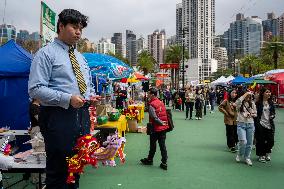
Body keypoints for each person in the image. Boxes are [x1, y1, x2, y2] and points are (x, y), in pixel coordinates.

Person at [28, 9, 101, 188]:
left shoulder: (81, 58)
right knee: (58, 170)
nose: (78, 32)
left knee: (77, 166)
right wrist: (67, 98)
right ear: (61, 26)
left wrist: (91, 96)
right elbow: (35, 90)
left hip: (81, 115)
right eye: (74, 27)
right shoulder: (45, 54)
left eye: (81, 29)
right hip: (57, 116)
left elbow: (86, 87)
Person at [140, 87, 169, 170]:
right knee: (162, 145)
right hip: (163, 128)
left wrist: (161, 123)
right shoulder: (161, 102)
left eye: (149, 93)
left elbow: (154, 117)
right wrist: (163, 123)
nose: (148, 95)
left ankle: (150, 159)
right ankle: (164, 162)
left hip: (155, 128)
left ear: (152, 94)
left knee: (153, 145)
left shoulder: (152, 104)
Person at [235, 91, 257, 166]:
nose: (248, 97)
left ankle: (247, 157)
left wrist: (251, 114)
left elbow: (255, 114)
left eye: (249, 96)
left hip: (250, 124)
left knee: (249, 143)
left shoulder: (252, 103)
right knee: (243, 141)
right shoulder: (240, 103)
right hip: (241, 124)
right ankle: (240, 154)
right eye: (247, 96)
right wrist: (245, 94)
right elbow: (236, 102)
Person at [255, 88, 276, 163]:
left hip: (269, 124)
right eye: (267, 92)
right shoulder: (258, 103)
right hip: (260, 124)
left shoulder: (271, 103)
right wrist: (257, 123)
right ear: (263, 93)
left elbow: (273, 112)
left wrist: (272, 116)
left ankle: (267, 152)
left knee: (271, 141)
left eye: (269, 92)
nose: (269, 93)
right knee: (261, 141)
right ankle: (261, 155)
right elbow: (256, 114)